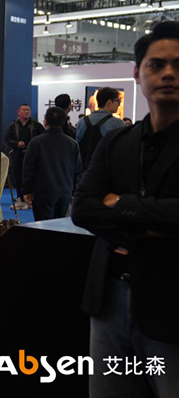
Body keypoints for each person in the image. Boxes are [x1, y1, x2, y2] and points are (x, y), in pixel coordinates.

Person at [72, 21, 179, 397]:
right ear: (137, 74)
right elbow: (84, 209)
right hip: (109, 300)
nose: (168, 73)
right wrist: (155, 223)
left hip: (172, 305)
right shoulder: (117, 140)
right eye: (156, 65)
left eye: (178, 65)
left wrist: (122, 204)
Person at [21, 107, 83, 221]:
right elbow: (78, 170)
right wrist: (75, 191)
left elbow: (28, 168)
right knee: (59, 226)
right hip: (65, 191)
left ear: (45, 121)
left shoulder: (36, 142)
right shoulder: (72, 143)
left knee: (43, 226)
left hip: (42, 192)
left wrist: (26, 190)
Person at [4, 104, 45, 210]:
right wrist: (16, 143)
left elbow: (43, 137)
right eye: (24, 110)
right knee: (18, 177)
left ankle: (31, 199)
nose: (27, 112)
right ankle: (20, 199)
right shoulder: (13, 126)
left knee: (31, 177)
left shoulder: (36, 125)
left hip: (32, 155)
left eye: (28, 110)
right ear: (19, 112)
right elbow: (8, 139)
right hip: (17, 155)